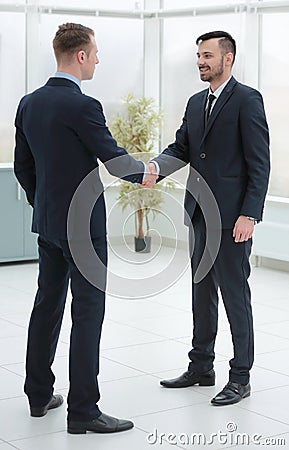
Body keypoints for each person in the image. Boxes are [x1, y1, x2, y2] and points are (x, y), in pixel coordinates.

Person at [14, 23, 146, 434]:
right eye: (96, 52)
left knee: (47, 306)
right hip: (84, 228)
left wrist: (46, 206)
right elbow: (115, 160)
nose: (99, 60)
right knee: (88, 313)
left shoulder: (29, 103)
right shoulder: (83, 106)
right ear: (82, 56)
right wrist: (149, 172)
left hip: (49, 224)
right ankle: (84, 411)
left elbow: (23, 166)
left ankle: (38, 396)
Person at [144, 31, 270, 405]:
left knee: (235, 295)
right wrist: (155, 166)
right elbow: (182, 148)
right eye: (198, 55)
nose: (200, 61)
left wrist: (250, 213)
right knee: (201, 294)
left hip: (232, 220)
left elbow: (259, 164)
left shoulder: (247, 100)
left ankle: (241, 376)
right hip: (199, 213)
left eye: (207, 55)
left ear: (227, 59)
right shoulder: (196, 101)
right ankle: (201, 367)